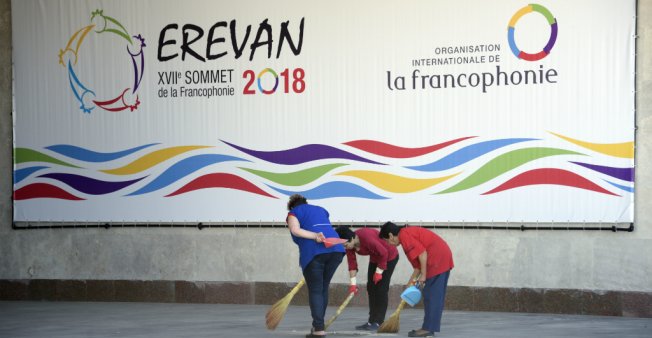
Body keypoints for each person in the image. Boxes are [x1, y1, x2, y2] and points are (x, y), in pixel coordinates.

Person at [379, 222, 454, 338]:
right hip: (439, 257)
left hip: (437, 258)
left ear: (390, 235)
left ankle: (428, 329)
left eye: (387, 241)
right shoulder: (405, 235)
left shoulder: (404, 235)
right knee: (432, 295)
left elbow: (423, 254)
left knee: (432, 295)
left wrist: (423, 276)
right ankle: (428, 327)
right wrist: (410, 282)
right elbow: (418, 266)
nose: (389, 244)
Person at [286, 194, 345, 338]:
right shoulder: (321, 209)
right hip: (336, 250)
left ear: (292, 206)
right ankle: (318, 325)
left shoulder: (294, 213)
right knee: (323, 288)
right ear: (305, 202)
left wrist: (315, 236)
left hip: (315, 253)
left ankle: (319, 329)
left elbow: (295, 230)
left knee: (316, 290)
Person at [335, 225, 399, 331]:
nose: (345, 248)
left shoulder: (367, 238)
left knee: (381, 289)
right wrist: (353, 284)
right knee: (371, 287)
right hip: (376, 258)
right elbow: (352, 264)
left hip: (389, 256)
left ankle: (378, 322)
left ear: (351, 239)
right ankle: (371, 321)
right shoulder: (350, 245)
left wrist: (379, 272)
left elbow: (384, 253)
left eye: (345, 245)